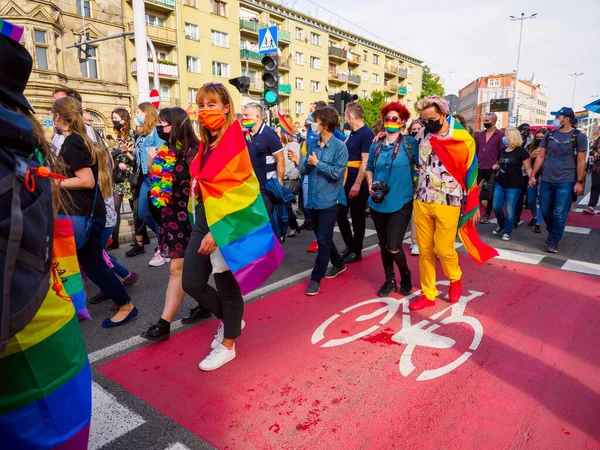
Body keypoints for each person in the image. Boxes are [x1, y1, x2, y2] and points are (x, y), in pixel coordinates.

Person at [0, 22, 92, 448]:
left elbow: (87, 181)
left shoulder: (46, 146)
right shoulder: (25, 142)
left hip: (30, 337)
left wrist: (55, 179)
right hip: (41, 322)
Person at [183, 83, 282, 370]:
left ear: (226, 108)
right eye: (201, 105)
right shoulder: (207, 143)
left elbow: (245, 191)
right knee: (192, 282)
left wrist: (220, 229)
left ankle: (229, 344)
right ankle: (231, 321)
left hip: (226, 222)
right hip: (204, 218)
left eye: (211, 104)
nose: (204, 110)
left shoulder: (238, 141)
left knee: (227, 286)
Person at [52, 96, 138, 327]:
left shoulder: (73, 142)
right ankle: (123, 303)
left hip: (83, 215)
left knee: (94, 265)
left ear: (58, 116)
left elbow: (86, 181)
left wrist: (54, 183)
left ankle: (126, 305)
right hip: (86, 214)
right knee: (94, 264)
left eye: (53, 114)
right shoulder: (78, 140)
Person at [410, 96, 497, 311]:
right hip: (422, 198)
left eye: (431, 119)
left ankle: (455, 277)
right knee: (425, 250)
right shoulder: (421, 135)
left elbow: (471, 172)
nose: (427, 124)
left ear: (442, 115)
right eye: (423, 120)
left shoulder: (462, 138)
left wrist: (474, 204)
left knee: (443, 247)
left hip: (449, 199)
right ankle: (428, 293)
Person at [141, 108, 202, 341]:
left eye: (164, 123)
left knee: (178, 269)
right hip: (169, 217)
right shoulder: (165, 150)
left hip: (190, 219)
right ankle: (204, 303)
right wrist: (150, 160)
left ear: (176, 125)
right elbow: (157, 179)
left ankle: (164, 323)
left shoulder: (194, 152)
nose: (160, 128)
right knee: (191, 269)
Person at [288, 106, 348, 296]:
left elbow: (337, 173)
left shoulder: (340, 147)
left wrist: (317, 164)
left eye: (316, 121)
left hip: (330, 201)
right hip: (312, 201)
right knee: (324, 237)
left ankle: (316, 278)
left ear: (325, 125)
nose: (312, 124)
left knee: (322, 240)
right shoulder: (313, 144)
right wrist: (299, 161)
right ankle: (338, 263)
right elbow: (306, 169)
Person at [366, 103, 417, 297]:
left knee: (393, 246)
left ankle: (405, 274)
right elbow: (369, 166)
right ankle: (389, 280)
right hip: (378, 202)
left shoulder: (410, 144)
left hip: (401, 202)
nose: (390, 122)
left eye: (395, 118)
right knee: (383, 245)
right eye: (387, 118)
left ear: (403, 122)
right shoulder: (376, 144)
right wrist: (370, 183)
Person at [529, 107, 588, 253]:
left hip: (566, 180)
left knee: (561, 212)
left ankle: (553, 241)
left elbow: (581, 161)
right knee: (546, 210)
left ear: (566, 119)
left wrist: (579, 181)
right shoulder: (549, 135)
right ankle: (553, 231)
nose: (555, 119)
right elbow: (541, 156)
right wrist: (533, 175)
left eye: (558, 116)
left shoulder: (578, 136)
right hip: (547, 179)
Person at [126, 102, 167, 265]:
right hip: (143, 178)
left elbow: (162, 153)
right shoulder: (141, 134)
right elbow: (138, 158)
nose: (136, 115)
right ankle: (163, 240)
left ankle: (163, 246)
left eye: (138, 112)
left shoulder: (156, 132)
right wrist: (130, 152)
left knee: (158, 212)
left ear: (147, 113)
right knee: (142, 214)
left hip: (155, 177)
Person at [337, 102, 373, 263]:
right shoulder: (353, 133)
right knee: (340, 214)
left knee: (357, 217)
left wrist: (357, 184)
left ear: (350, 116)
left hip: (357, 180)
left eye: (345, 115)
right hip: (346, 179)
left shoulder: (366, 134)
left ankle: (356, 250)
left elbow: (365, 162)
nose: (345, 119)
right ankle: (349, 245)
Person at [242, 102, 284, 219]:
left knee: (265, 221)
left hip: (265, 188)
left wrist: (279, 182)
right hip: (250, 187)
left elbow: (280, 158)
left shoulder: (269, 134)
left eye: (246, 115)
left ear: (257, 117)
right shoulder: (246, 134)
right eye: (243, 115)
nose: (244, 118)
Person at [491, 129, 533, 241]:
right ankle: (501, 224)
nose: (504, 137)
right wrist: (496, 166)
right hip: (500, 182)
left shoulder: (522, 152)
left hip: (514, 185)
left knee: (509, 209)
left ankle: (507, 230)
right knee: (496, 207)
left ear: (513, 137)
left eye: (506, 135)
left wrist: (531, 178)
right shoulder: (503, 150)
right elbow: (499, 163)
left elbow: (528, 168)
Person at [108, 108, 136, 249]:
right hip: (119, 178)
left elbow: (135, 155)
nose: (114, 120)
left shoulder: (132, 134)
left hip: (130, 176)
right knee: (115, 208)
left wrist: (126, 160)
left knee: (135, 208)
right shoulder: (117, 135)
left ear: (124, 119)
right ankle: (114, 241)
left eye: (116, 118)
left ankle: (141, 239)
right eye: (113, 117)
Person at [476, 112, 505, 224]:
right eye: (484, 120)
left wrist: (498, 163)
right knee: (475, 189)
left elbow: (501, 152)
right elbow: (477, 150)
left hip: (492, 167)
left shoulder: (500, 135)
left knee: (489, 191)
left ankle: (487, 214)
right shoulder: (480, 135)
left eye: (487, 121)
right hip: (480, 165)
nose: (484, 122)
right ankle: (474, 211)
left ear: (493, 122)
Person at [281, 113, 302, 238]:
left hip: (289, 180)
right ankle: (292, 226)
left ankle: (291, 227)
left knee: (286, 206)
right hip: (279, 179)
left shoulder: (294, 145)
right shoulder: (278, 144)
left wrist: (289, 176)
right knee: (284, 206)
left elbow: (297, 164)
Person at [525, 127, 547, 232]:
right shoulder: (531, 146)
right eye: (537, 137)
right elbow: (526, 162)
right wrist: (531, 155)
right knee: (531, 198)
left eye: (542, 137)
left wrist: (543, 155)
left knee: (543, 198)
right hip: (533, 172)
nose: (539, 139)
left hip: (546, 173)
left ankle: (538, 222)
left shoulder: (550, 146)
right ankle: (534, 216)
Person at [408, 119, 424, 255]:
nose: (417, 131)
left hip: (425, 183)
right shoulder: (406, 143)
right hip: (408, 182)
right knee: (413, 214)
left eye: (419, 129)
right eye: (414, 129)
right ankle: (415, 242)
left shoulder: (427, 142)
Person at [514, 123, 532, 225]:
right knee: (512, 195)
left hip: (524, 173)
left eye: (527, 131)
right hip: (513, 171)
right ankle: (511, 215)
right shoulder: (514, 140)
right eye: (524, 131)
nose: (526, 133)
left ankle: (516, 216)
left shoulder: (531, 141)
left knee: (520, 195)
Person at [583, 136, 600, 215]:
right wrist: (594, 152)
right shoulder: (598, 139)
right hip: (597, 167)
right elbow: (592, 149)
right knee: (594, 186)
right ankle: (591, 207)